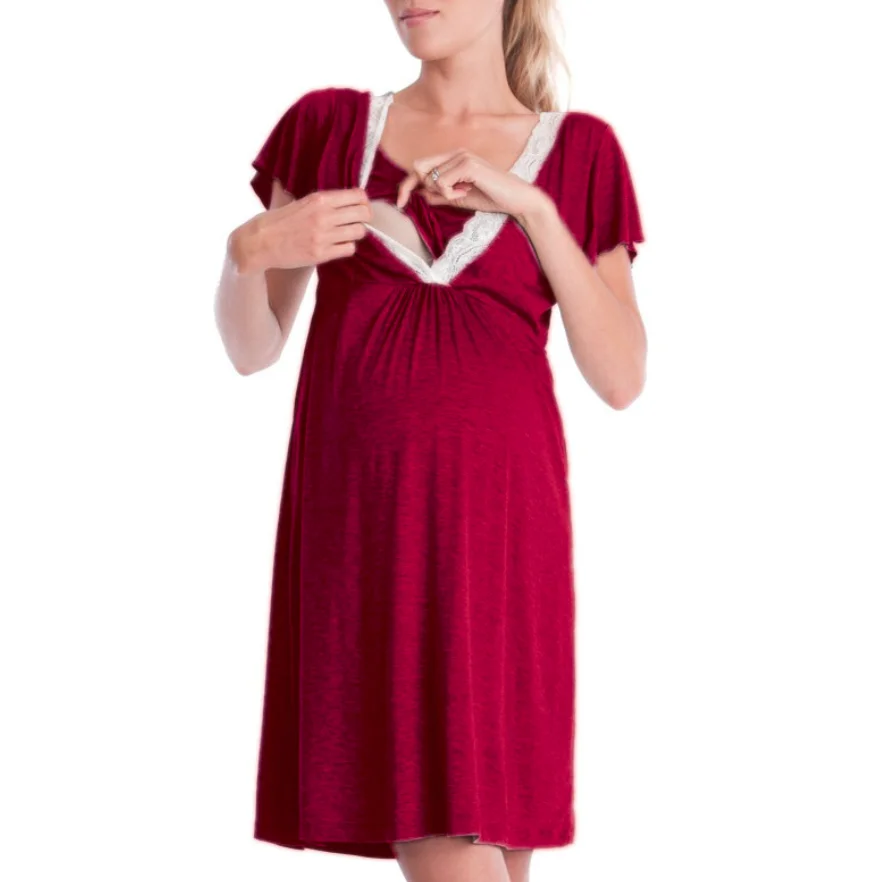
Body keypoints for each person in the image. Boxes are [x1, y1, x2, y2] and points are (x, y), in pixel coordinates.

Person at [214, 1, 646, 879]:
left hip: (503, 550)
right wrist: (246, 249)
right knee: (445, 836)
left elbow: (620, 376)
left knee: (493, 850)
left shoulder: (582, 151)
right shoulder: (327, 130)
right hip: (370, 546)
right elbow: (253, 349)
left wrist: (533, 210)